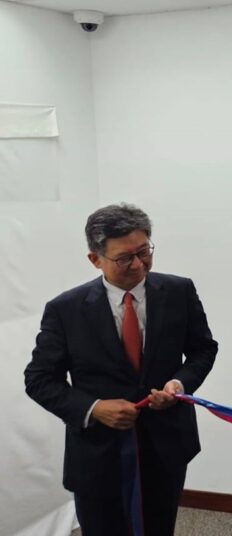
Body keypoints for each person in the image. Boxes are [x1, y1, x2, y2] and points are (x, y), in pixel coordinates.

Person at [24, 203, 218, 536]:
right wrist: (94, 408)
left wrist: (178, 385)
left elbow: (203, 349)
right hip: (98, 453)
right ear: (95, 259)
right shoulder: (65, 310)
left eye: (145, 252)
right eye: (125, 258)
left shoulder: (178, 291)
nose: (139, 264)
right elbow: (39, 379)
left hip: (166, 445)